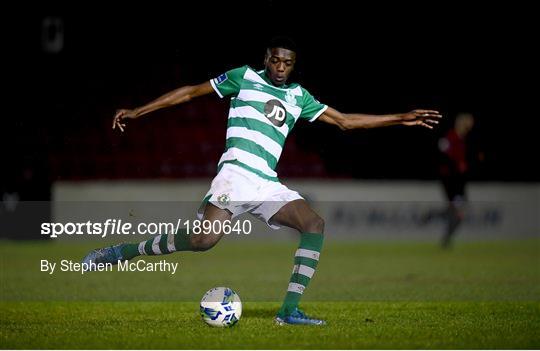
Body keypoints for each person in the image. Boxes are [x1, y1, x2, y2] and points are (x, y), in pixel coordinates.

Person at [82, 37, 441, 325]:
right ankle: (118, 252)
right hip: (235, 173)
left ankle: (288, 311)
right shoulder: (244, 77)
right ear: (265, 59)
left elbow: (345, 121)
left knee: (313, 222)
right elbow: (191, 92)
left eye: (288, 63)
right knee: (204, 240)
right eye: (275, 61)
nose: (281, 68)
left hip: (266, 183)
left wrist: (400, 118)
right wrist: (138, 111)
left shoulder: (299, 96)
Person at [436, 112, 478, 248]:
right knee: (458, 212)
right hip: (451, 182)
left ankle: (431, 218)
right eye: (469, 122)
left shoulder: (463, 139)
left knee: (456, 211)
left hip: (459, 182)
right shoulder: (450, 137)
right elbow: (444, 158)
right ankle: (445, 239)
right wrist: (457, 166)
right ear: (463, 123)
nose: (471, 125)